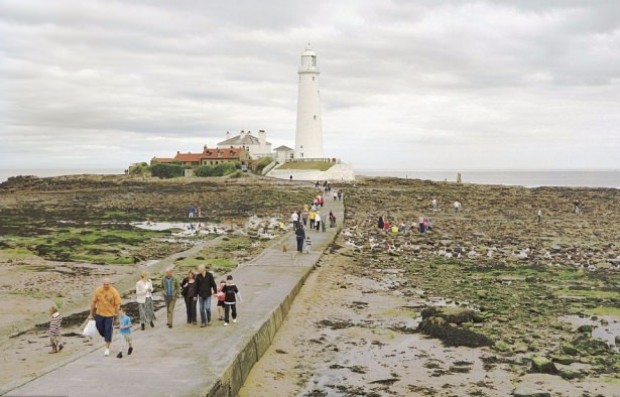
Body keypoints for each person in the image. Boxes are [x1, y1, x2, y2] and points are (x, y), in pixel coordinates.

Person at [89, 277, 122, 357]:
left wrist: (117, 318)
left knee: (108, 330)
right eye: (104, 284)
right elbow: (93, 303)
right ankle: (107, 336)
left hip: (110, 315)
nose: (106, 286)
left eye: (107, 284)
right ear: (102, 284)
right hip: (99, 313)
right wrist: (90, 314)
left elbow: (117, 305)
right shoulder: (98, 290)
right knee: (99, 327)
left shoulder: (114, 292)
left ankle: (107, 348)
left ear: (110, 284)